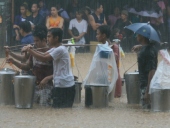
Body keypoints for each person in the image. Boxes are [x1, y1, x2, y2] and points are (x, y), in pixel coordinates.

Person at [25, 28, 75, 108]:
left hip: (65, 86)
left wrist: (30, 50)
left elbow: (43, 58)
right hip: (60, 84)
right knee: (58, 112)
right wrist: (32, 49)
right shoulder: (54, 49)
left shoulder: (60, 49)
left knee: (62, 111)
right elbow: (43, 54)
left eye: (49, 36)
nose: (47, 39)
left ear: (56, 38)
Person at [6, 25, 53, 105]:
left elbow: (59, 72)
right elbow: (27, 67)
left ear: (44, 40)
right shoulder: (33, 50)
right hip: (34, 86)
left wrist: (47, 78)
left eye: (37, 41)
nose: (35, 43)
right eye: (34, 41)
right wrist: (13, 61)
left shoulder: (52, 52)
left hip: (47, 88)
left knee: (44, 109)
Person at [96, 25, 122, 97]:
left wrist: (105, 51)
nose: (96, 36)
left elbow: (114, 58)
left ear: (103, 35)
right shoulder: (100, 47)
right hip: (103, 78)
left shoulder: (114, 47)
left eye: (98, 34)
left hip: (113, 79)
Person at [135, 34, 158, 109]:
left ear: (143, 36)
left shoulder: (147, 52)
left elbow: (152, 70)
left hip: (146, 86)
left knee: (146, 109)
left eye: (138, 35)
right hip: (146, 85)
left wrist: (148, 92)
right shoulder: (150, 48)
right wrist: (140, 48)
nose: (136, 36)